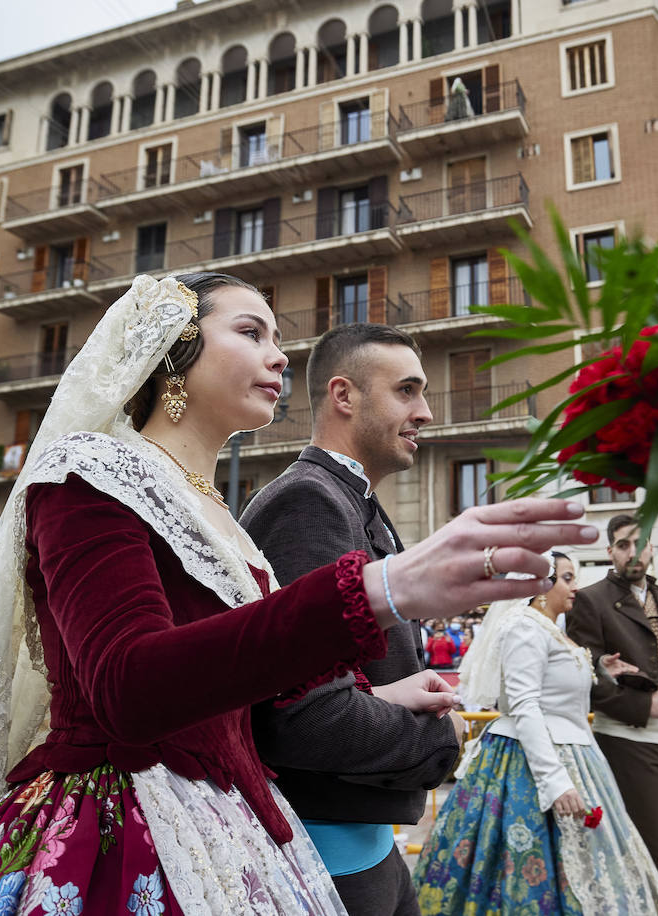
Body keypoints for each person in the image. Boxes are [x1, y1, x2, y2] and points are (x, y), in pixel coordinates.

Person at [0, 273, 597, 916]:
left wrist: (388, 696)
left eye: (278, 338)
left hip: (237, 825)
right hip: (116, 828)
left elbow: (245, 689)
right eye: (252, 330)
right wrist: (381, 589)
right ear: (176, 351)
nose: (279, 355)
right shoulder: (87, 474)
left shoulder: (221, 517)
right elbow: (128, 685)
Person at [240, 322, 462, 916]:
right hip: (323, 851)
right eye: (407, 391)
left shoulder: (349, 497)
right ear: (344, 396)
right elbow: (308, 717)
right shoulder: (308, 500)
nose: (426, 413)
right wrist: (443, 739)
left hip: (365, 845)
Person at [414, 552, 658, 914]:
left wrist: (601, 669)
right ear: (541, 585)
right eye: (567, 577)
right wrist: (554, 781)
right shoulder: (524, 626)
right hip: (530, 760)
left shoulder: (549, 628)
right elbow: (525, 705)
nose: (575, 587)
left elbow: (556, 690)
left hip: (573, 752)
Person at [566, 514, 658, 890]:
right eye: (623, 545)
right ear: (610, 552)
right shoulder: (590, 600)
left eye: (640, 543)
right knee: (653, 861)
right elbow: (581, 679)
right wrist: (642, 706)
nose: (633, 552)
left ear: (652, 547)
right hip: (624, 741)